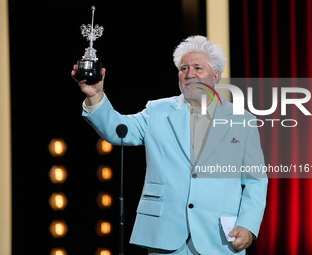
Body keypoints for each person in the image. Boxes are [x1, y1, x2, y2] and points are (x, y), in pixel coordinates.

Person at [72, 35, 268, 255]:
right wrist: (96, 96)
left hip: (220, 238)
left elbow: (255, 180)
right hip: (165, 235)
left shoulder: (242, 119)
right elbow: (118, 130)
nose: (189, 74)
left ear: (216, 76)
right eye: (184, 68)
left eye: (197, 68)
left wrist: (248, 225)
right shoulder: (157, 111)